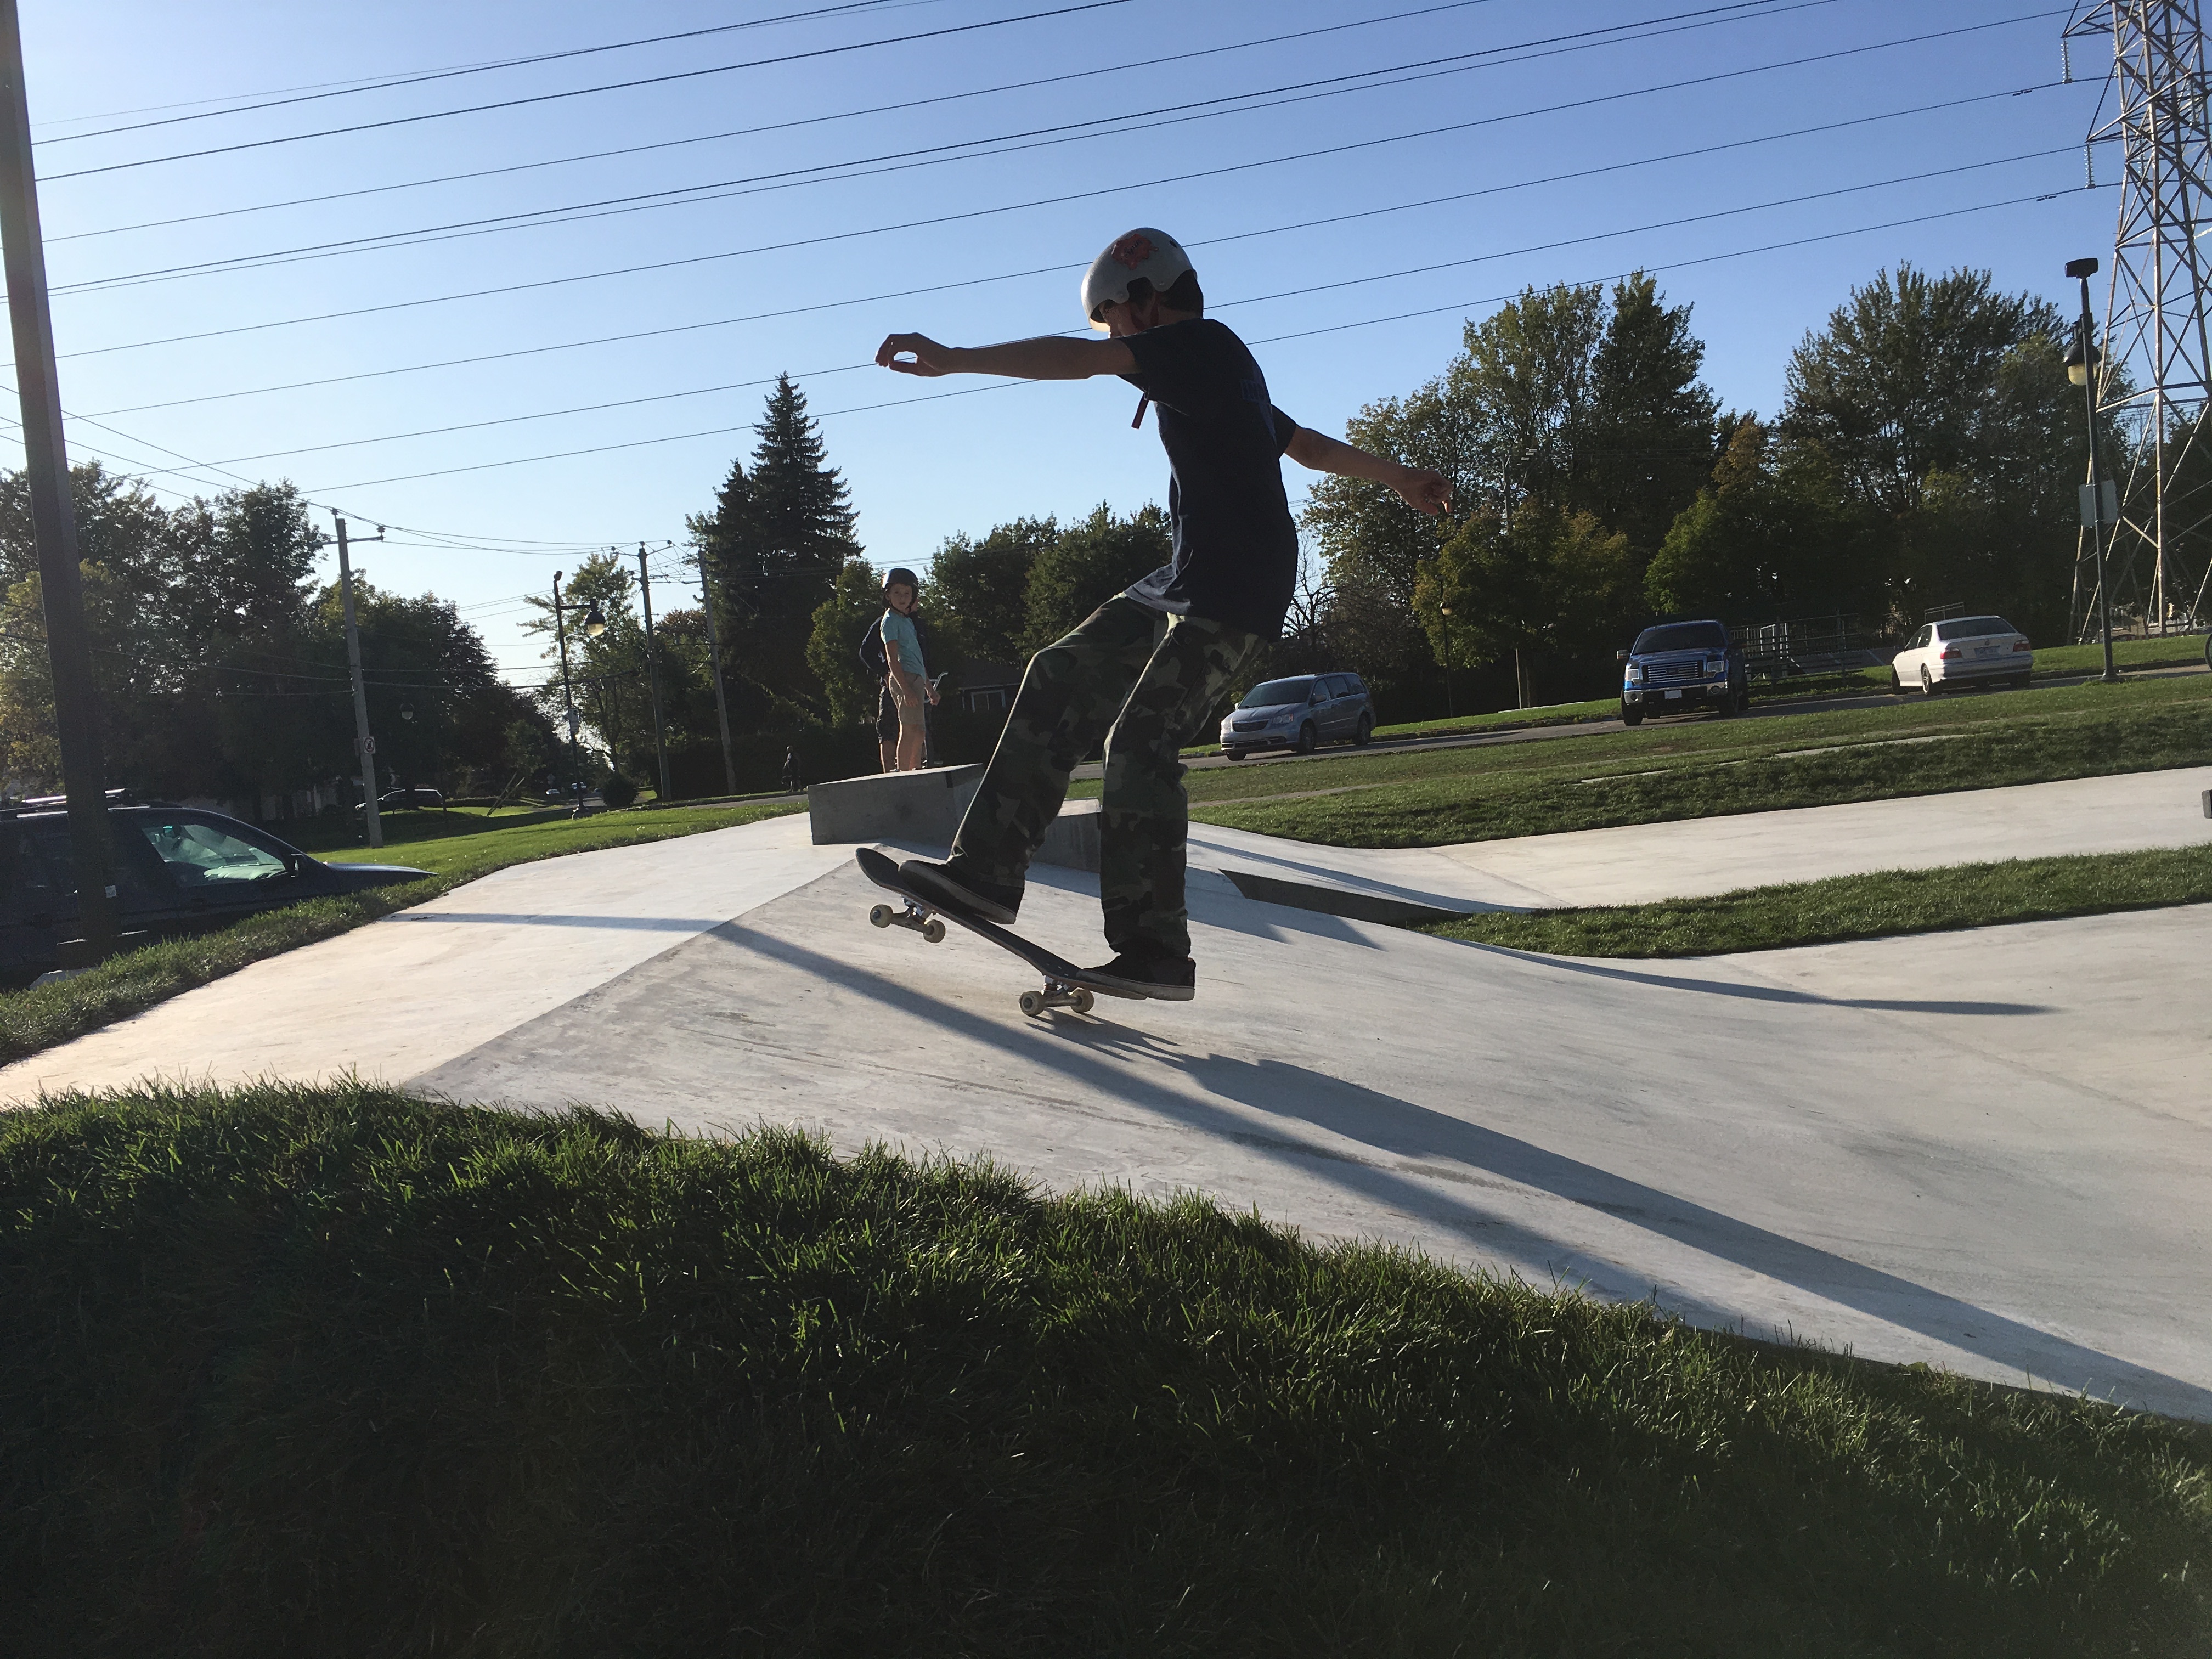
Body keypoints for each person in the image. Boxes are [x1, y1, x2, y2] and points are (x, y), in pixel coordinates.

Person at [874, 227, 1450, 1000]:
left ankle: (1155, 948)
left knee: (1141, 737)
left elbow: (1074, 360)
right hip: (1181, 580)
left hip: (1236, 591)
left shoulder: (1201, 346)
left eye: (1112, 320)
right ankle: (986, 872)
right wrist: (1401, 476)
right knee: (1058, 670)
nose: (1112, 338)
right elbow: (1305, 444)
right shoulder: (1219, 371)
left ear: (1141, 305)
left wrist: (958, 358)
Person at [878, 567, 938, 772]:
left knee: (920, 730)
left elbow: (918, 659)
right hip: (903, 679)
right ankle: (903, 773)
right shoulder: (889, 622)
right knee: (908, 728)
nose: (902, 598)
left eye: (907, 594)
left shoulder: (907, 621)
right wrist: (905, 689)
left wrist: (929, 687)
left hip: (917, 678)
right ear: (888, 595)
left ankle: (915, 770)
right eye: (897, 593)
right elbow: (892, 659)